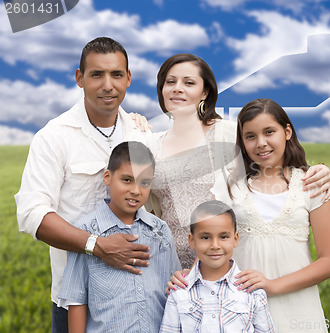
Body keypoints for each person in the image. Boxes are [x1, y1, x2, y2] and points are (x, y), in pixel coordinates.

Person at [147, 53, 330, 270]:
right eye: (170, 82)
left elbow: (274, 161)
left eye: (188, 82)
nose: (177, 88)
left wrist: (321, 170)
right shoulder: (150, 144)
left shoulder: (228, 133)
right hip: (170, 267)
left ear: (205, 92)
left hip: (229, 264)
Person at [14, 37, 151, 332]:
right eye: (96, 74)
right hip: (76, 300)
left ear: (128, 78)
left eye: (116, 74)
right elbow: (32, 214)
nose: (107, 85)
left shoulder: (141, 134)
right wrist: (97, 246)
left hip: (136, 297)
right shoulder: (54, 137)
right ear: (80, 78)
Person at [209, 98, 330, 332]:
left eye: (269, 132)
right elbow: (211, 246)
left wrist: (272, 285)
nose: (261, 143)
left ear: (287, 131)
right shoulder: (229, 186)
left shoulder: (311, 183)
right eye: (250, 136)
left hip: (299, 310)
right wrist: (187, 277)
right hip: (242, 308)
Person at [59, 141, 181, 333]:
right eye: (127, 180)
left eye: (144, 182)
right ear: (107, 177)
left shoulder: (160, 230)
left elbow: (174, 290)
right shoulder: (85, 231)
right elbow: (76, 300)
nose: (135, 190)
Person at [160, 200, 275, 333]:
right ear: (191, 240)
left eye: (224, 236)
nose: (215, 245)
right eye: (205, 237)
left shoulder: (252, 292)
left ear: (235, 239)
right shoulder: (179, 292)